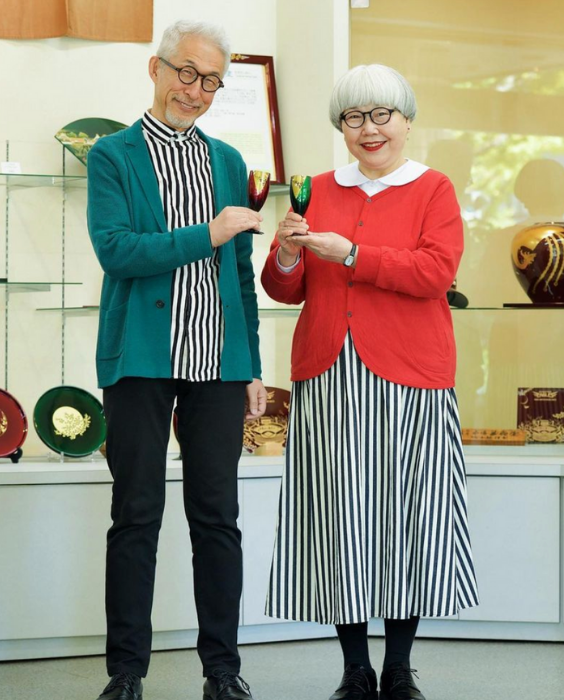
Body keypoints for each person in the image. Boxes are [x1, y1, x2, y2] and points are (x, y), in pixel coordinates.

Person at [262, 64, 479, 700]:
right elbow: (285, 289)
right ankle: (355, 668)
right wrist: (288, 252)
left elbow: (435, 273)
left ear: (407, 121)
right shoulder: (317, 189)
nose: (369, 129)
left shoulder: (433, 189)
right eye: (354, 118)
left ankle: (399, 667)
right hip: (330, 374)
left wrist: (353, 254)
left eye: (382, 114)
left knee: (412, 519)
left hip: (413, 375)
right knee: (341, 520)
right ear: (342, 128)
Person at [86, 20, 267, 700]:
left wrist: (250, 364)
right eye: (186, 73)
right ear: (155, 69)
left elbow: (241, 273)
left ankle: (223, 671)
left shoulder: (227, 160)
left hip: (219, 363)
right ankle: (126, 673)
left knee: (217, 517)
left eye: (211, 80)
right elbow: (118, 251)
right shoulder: (111, 155)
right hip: (139, 360)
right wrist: (208, 232)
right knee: (136, 515)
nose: (195, 90)